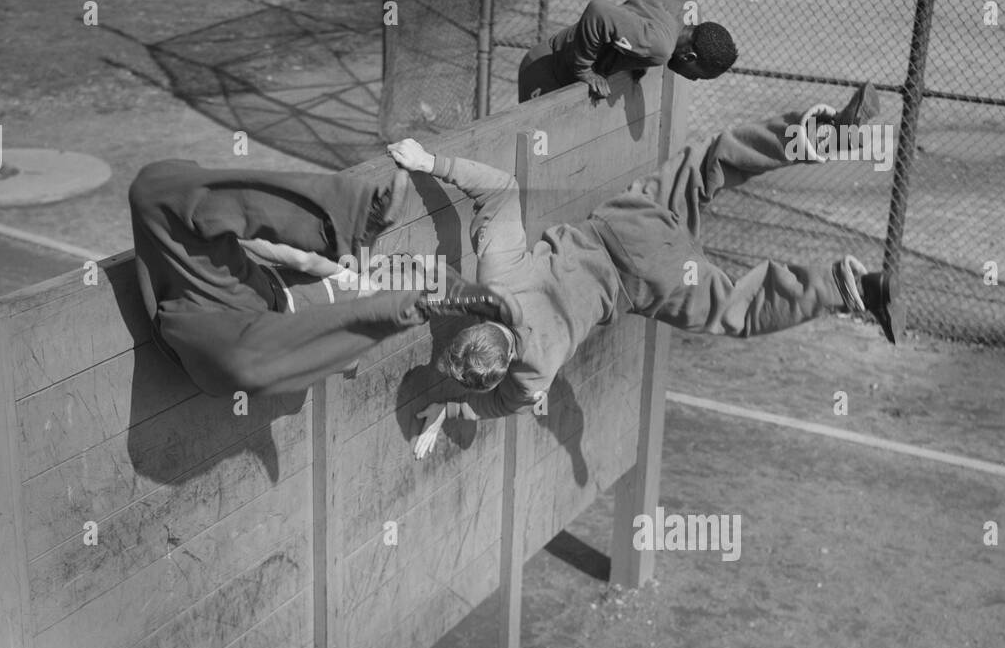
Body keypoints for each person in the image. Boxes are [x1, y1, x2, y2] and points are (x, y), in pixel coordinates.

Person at [386, 83, 902, 459]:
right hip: (629, 223)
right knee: (710, 162)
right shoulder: (496, 278)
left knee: (735, 310)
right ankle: (819, 134)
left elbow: (503, 404)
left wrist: (455, 411)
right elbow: (500, 189)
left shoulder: (533, 373)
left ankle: (849, 289)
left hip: (648, 280)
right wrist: (429, 162)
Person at [128, 160, 521, 398]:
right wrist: (242, 231)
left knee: (244, 359)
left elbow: (319, 354)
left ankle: (413, 301)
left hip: (243, 343)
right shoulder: (352, 265)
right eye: (398, 262)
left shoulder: (349, 335)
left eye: (401, 269)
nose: (396, 263)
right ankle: (349, 219)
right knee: (152, 187)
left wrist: (368, 285)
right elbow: (281, 251)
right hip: (228, 294)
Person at [518, 0, 737, 102]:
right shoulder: (659, 47)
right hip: (546, 70)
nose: (693, 79)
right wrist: (584, 70)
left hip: (558, 67)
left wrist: (637, 43)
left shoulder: (691, 10)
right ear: (689, 57)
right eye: (696, 74)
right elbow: (598, 11)